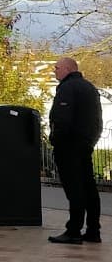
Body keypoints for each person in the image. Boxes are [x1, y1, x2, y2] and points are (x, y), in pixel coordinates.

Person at [47, 56, 103, 244]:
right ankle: (93, 229)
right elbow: (97, 120)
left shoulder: (67, 88)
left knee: (74, 187)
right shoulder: (89, 88)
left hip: (69, 145)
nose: (54, 70)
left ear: (68, 69)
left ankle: (73, 230)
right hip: (85, 143)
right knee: (88, 186)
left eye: (57, 68)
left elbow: (62, 119)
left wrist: (55, 139)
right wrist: (90, 140)